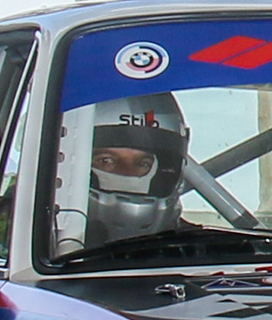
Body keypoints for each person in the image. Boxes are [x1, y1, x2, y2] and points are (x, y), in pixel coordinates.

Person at [72, 94, 193, 251]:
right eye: (107, 161)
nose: (128, 174)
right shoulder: (33, 250)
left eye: (143, 164)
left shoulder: (199, 256)